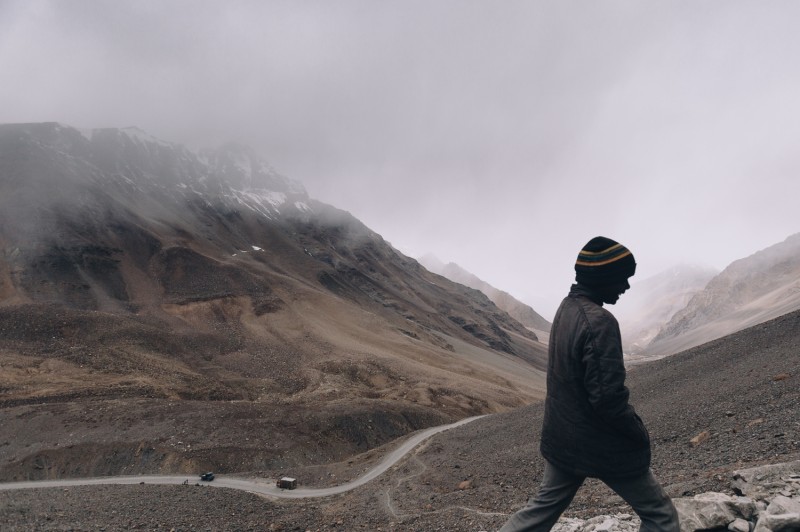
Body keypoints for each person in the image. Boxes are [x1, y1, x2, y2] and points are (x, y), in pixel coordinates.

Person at [499, 236, 679, 532]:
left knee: (540, 510)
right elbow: (608, 399)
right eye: (622, 278)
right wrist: (636, 431)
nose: (626, 286)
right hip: (599, 442)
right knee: (660, 515)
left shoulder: (567, 308)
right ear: (603, 279)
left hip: (563, 437)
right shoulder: (600, 322)